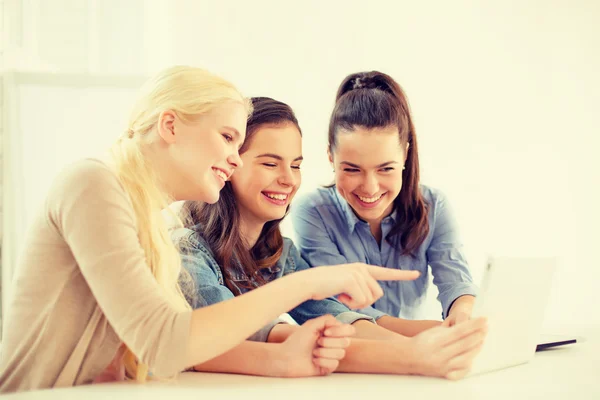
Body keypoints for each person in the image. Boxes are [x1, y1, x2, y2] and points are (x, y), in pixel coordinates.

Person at [0, 67, 415, 393]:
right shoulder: (93, 183)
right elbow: (164, 343)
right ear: (170, 126)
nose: (235, 160)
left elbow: (179, 353)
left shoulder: (149, 222)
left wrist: (286, 361)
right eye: (228, 137)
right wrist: (309, 283)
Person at [175, 96, 487, 380]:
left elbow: (340, 316)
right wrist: (410, 355)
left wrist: (438, 338)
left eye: (296, 165)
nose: (288, 179)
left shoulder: (281, 254)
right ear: (230, 165)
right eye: (271, 163)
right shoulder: (188, 251)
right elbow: (246, 334)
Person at [292, 71, 479, 330]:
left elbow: (456, 282)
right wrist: (435, 331)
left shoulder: (434, 205)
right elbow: (342, 308)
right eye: (352, 169)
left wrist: (463, 314)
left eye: (385, 169)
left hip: (424, 357)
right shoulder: (313, 212)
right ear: (330, 157)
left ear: (405, 154)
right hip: (361, 355)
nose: (370, 188)